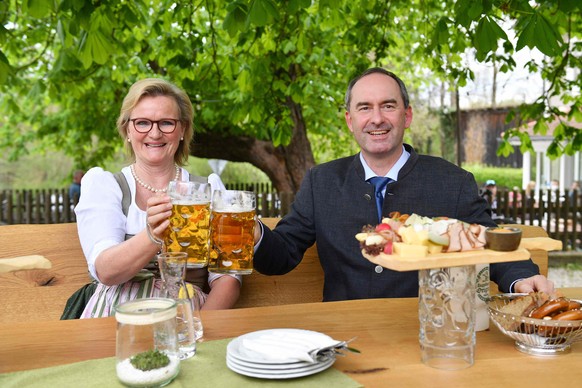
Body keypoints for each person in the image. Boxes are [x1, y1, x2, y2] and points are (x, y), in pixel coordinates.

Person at [252, 67, 554, 301]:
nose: (377, 118)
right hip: (344, 331)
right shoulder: (322, 182)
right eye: (364, 108)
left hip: (427, 327)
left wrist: (521, 278)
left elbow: (489, 241)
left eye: (388, 106)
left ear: (406, 115)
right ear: (349, 120)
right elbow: (282, 254)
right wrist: (252, 233)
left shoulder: (454, 181)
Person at [74, 78, 241, 318]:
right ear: (127, 130)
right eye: (142, 122)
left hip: (187, 313)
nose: (154, 132)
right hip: (117, 313)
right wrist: (153, 235)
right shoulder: (106, 186)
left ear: (182, 130)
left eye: (166, 123)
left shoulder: (210, 188)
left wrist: (199, 327)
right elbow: (106, 271)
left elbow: (228, 276)